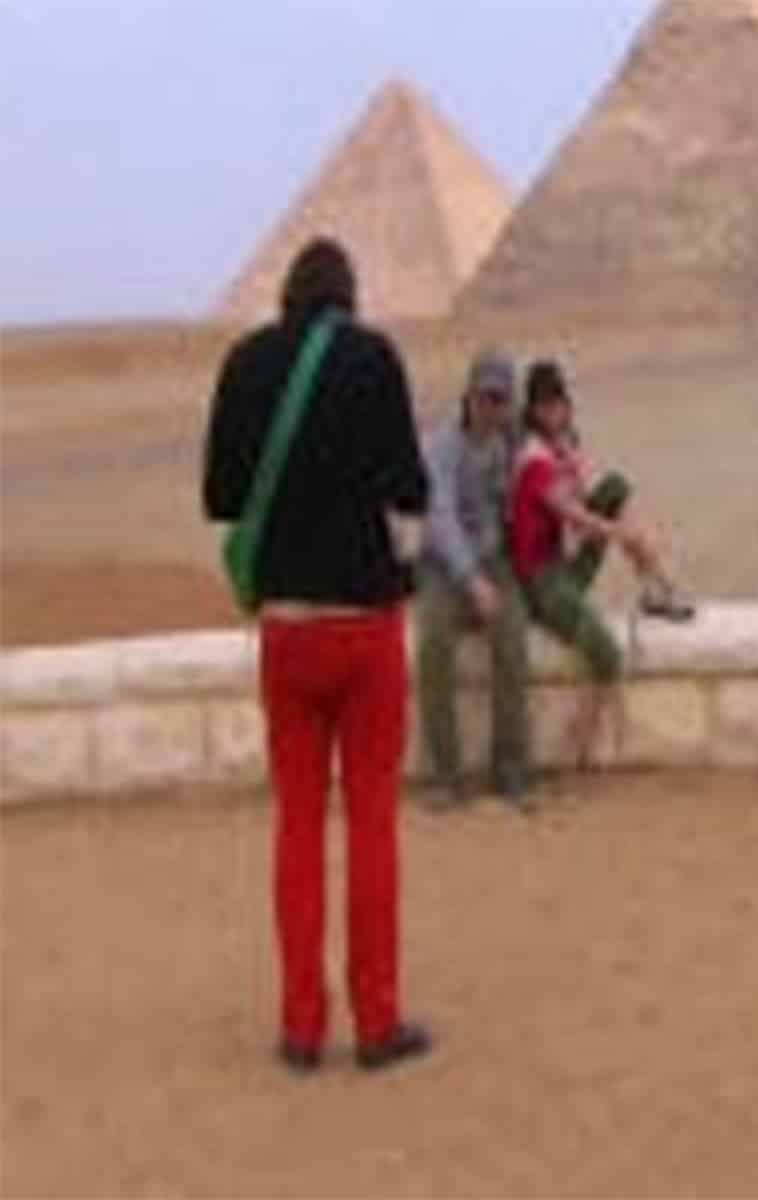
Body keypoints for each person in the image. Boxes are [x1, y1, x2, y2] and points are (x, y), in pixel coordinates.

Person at [202, 238, 434, 1074]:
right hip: (366, 627)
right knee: (372, 823)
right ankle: (377, 1021)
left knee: (297, 825)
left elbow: (221, 497)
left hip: (287, 632)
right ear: (350, 294)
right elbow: (412, 490)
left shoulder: (245, 363)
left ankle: (301, 1026)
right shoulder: (374, 359)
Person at [508, 359, 695, 767]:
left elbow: (583, 500)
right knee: (606, 653)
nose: (555, 412)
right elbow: (570, 514)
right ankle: (582, 743)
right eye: (546, 406)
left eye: (559, 403)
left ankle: (656, 586)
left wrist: (612, 523)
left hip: (562, 566)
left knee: (615, 487)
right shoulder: (533, 459)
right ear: (533, 410)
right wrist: (618, 533)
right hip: (541, 582)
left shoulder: (561, 448)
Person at [415, 350, 534, 812]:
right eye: (485, 398)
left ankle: (511, 768)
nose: (491, 408)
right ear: (468, 396)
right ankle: (445, 775)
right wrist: (472, 581)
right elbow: (440, 516)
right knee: (433, 643)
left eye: (500, 400)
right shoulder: (442, 446)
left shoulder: (511, 441)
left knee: (513, 640)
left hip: (493, 560)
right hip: (444, 565)